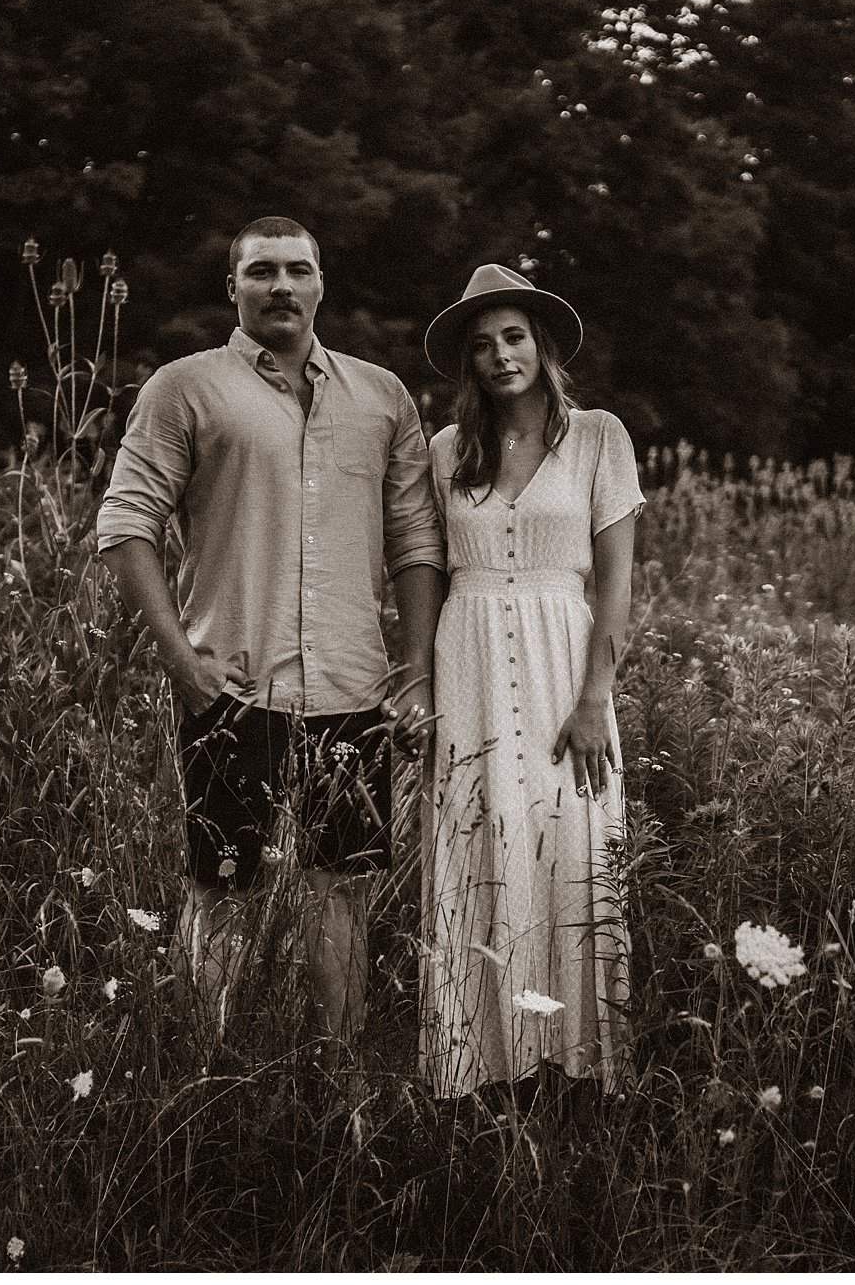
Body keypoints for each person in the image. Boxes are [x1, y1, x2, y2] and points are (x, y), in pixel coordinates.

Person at [96, 217, 446, 1071]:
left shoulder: (381, 397)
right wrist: (185, 667)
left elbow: (416, 543)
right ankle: (208, 1070)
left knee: (342, 892)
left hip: (353, 690)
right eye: (261, 272)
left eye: (298, 270)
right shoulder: (186, 388)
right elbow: (126, 523)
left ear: (323, 283)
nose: (281, 286)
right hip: (231, 690)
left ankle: (343, 1076)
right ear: (234, 289)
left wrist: (419, 674)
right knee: (223, 886)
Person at [417, 263, 643, 1106]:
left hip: (563, 663)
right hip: (467, 663)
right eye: (482, 345)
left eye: (512, 337)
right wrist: (422, 691)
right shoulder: (448, 452)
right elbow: (428, 577)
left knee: (573, 849)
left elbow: (615, 586)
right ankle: (483, 1068)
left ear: (541, 345)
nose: (499, 355)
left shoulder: (598, 437)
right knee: (479, 846)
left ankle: (581, 1071)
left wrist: (595, 699)